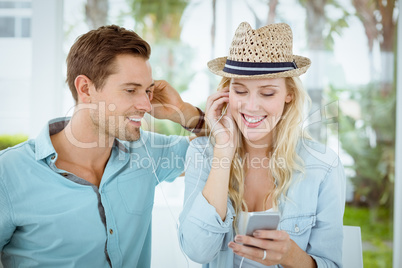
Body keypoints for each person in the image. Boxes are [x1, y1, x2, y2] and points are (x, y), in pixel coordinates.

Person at [0, 25, 205, 267]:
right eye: (131, 90)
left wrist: (184, 112)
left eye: (148, 91)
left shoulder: (147, 153)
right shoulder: (8, 172)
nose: (147, 105)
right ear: (85, 89)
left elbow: (228, 147)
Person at [179, 22, 346, 267]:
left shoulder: (324, 166)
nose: (251, 106)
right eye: (240, 91)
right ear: (227, 93)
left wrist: (291, 256)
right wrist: (223, 152)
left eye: (267, 93)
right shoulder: (202, 154)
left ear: (289, 94)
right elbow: (197, 251)